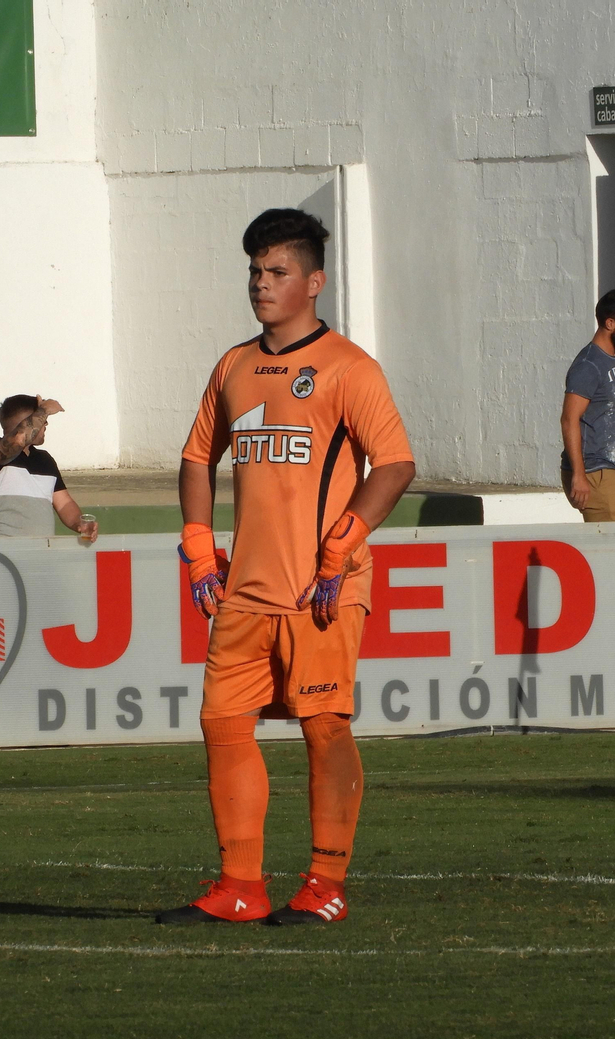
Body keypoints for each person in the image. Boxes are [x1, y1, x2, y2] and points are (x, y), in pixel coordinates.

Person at [158, 207, 417, 927]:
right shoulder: (234, 366)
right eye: (255, 271)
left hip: (321, 592)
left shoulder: (349, 368)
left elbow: (395, 464)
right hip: (243, 591)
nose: (261, 285)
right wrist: (197, 538)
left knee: (324, 727)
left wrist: (343, 543)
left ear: (314, 282)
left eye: (277, 272)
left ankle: (325, 884)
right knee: (224, 726)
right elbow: (195, 458)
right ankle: (239, 885)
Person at [560, 290, 615, 522]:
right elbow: (568, 419)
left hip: (609, 469)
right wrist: (579, 475)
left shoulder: (611, 357)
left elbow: (610, 414)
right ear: (610, 323)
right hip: (595, 474)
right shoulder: (589, 366)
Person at [0, 394, 98, 540]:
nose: (45, 424)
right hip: (2, 554)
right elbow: (19, 439)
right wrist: (44, 409)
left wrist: (79, 523)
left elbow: (64, 503)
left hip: (40, 555)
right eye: (42, 420)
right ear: (24, 422)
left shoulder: (44, 459)